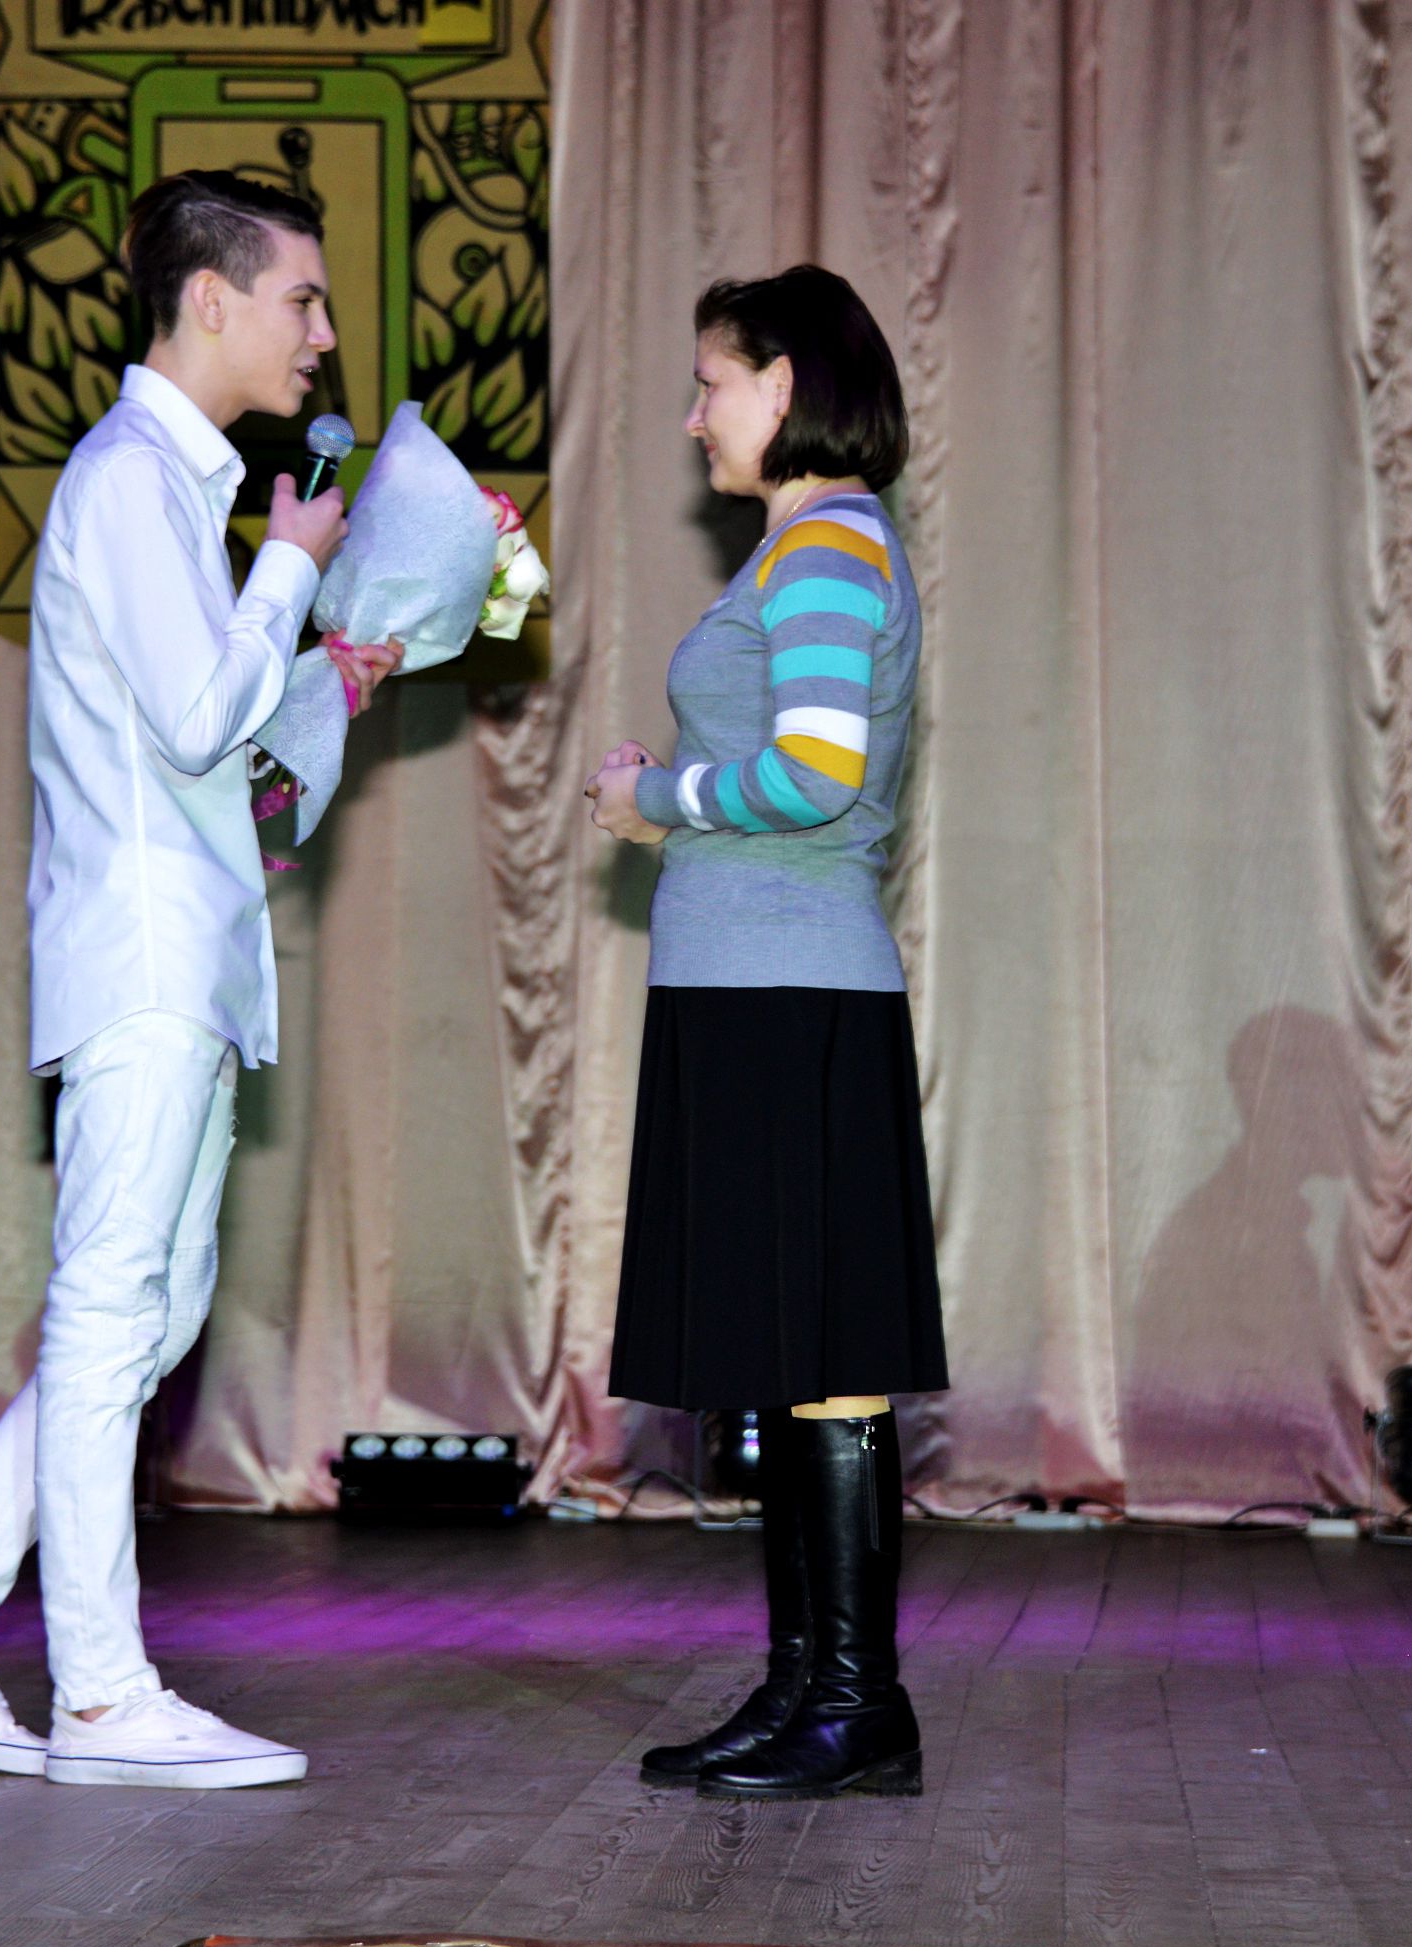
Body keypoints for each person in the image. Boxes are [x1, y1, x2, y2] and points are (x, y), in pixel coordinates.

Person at [0, 171, 399, 1790]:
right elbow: (200, 718)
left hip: (180, 955)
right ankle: (97, 1694)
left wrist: (317, 677)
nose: (324, 333)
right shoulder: (134, 477)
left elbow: (197, 747)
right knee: (108, 1314)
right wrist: (291, 568)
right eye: (301, 299)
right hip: (143, 960)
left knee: (150, 1315)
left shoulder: (166, 486)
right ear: (209, 299)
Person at [585, 264, 944, 1799]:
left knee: (829, 1358)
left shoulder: (830, 549)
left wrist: (654, 799)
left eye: (711, 383)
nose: (695, 416)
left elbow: (813, 771)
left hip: (792, 995)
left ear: (784, 385)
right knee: (798, 1358)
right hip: (754, 990)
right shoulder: (806, 551)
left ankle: (856, 1703)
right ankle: (806, 1690)